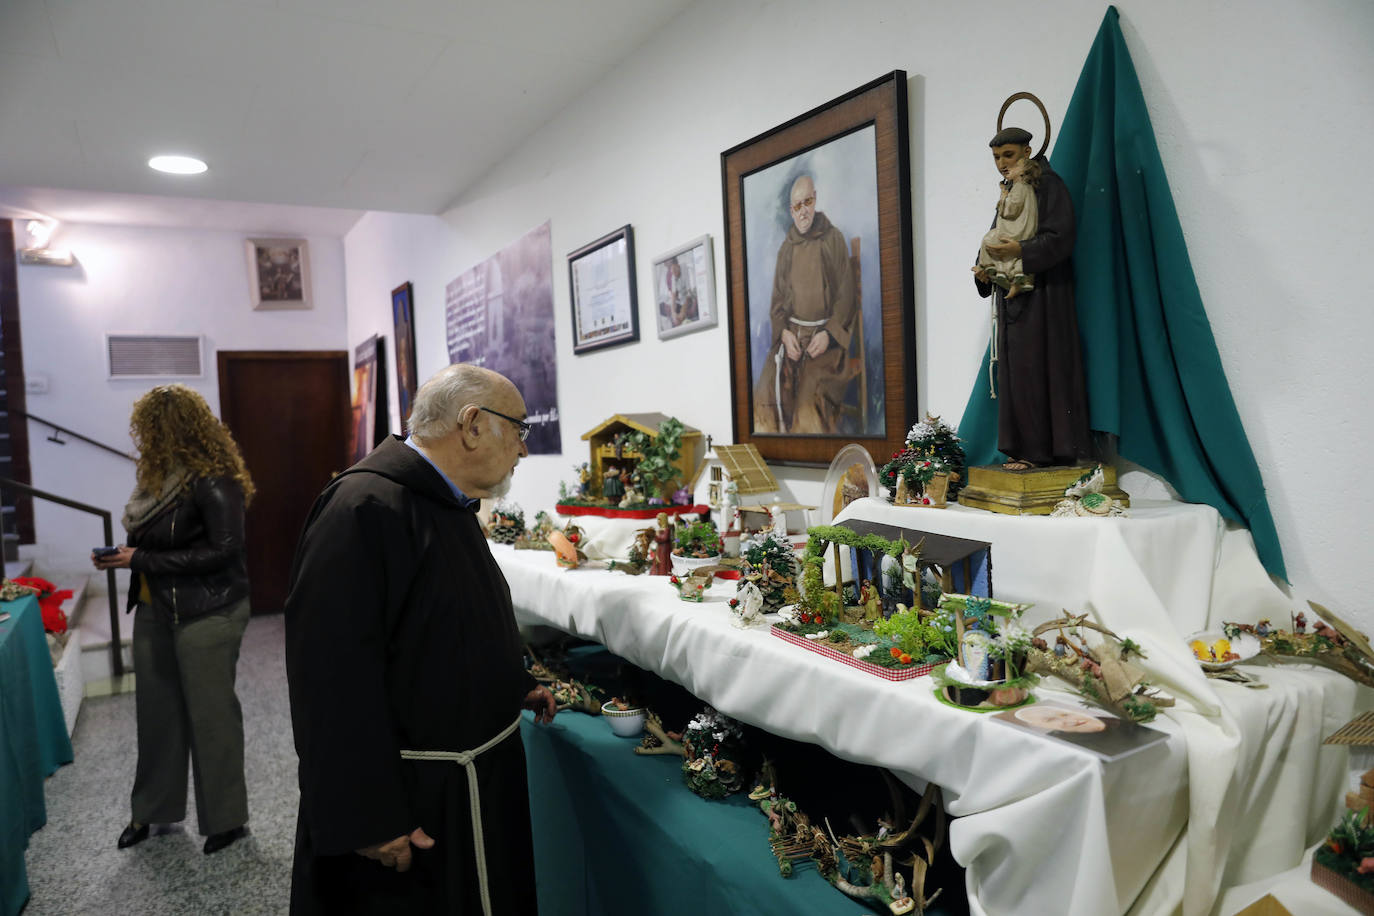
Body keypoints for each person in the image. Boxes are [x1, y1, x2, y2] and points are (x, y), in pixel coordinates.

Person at [284, 363, 556, 915]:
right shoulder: (363, 508)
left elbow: (448, 621)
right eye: (521, 429)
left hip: (469, 783)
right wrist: (368, 817)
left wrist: (507, 682)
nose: (525, 450)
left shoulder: (443, 501)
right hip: (413, 802)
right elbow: (329, 680)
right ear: (473, 424)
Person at [92, 383, 255, 855]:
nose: (144, 439)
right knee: (156, 716)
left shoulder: (214, 477)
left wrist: (137, 558)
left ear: (176, 431)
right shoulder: (158, 479)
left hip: (210, 610)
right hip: (156, 608)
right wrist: (129, 558)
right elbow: (153, 545)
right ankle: (152, 811)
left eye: (151, 430)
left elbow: (225, 550)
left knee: (211, 717)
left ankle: (227, 821)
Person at [972, 126, 1092, 470]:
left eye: (1008, 155)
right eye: (996, 157)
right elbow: (997, 234)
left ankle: (1040, 452)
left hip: (1044, 298)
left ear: (1027, 151)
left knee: (1038, 369)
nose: (1001, 164)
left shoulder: (1048, 185)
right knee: (1017, 374)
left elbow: (1061, 236)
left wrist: (1022, 251)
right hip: (1013, 299)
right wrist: (985, 269)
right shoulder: (1011, 189)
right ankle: (1020, 448)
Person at [753, 173, 859, 434]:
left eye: (807, 203)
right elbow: (777, 304)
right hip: (791, 343)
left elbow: (846, 296)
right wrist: (785, 334)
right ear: (791, 210)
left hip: (826, 347)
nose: (803, 212)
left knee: (808, 398)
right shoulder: (786, 249)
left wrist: (828, 335)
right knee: (764, 391)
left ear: (815, 200)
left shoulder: (833, 239)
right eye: (797, 206)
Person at [975, 155, 1040, 297]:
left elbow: (1010, 209)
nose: (1005, 165)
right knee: (994, 242)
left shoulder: (1020, 187)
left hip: (1018, 231)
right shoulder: (1018, 187)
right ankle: (1000, 273)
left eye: (1009, 156)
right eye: (996, 157)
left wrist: (1003, 197)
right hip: (1020, 230)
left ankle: (990, 268)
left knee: (989, 240)